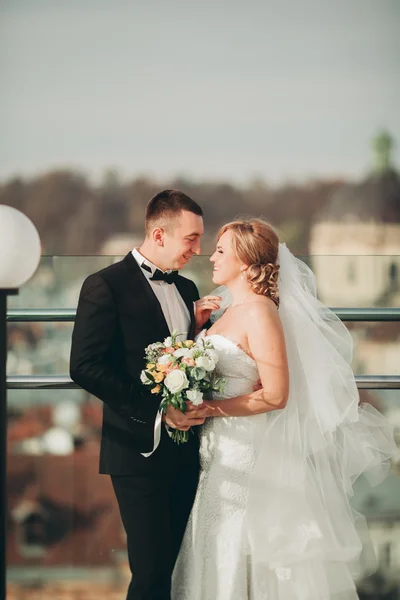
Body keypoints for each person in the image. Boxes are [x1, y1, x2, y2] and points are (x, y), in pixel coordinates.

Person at [172, 219, 397, 600]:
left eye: (222, 250)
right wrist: (195, 331)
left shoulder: (260, 312)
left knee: (237, 542)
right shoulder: (225, 310)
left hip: (246, 450)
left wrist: (209, 408)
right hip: (216, 450)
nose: (212, 256)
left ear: (245, 261)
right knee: (214, 540)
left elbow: (276, 395)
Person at [70, 189, 209, 600]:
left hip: (188, 452)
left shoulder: (187, 288)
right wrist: (158, 411)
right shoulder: (104, 285)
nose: (198, 250)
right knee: (150, 575)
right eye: (191, 239)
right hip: (135, 450)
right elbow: (84, 366)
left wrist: (200, 331)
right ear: (160, 234)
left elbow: (183, 359)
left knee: (180, 569)